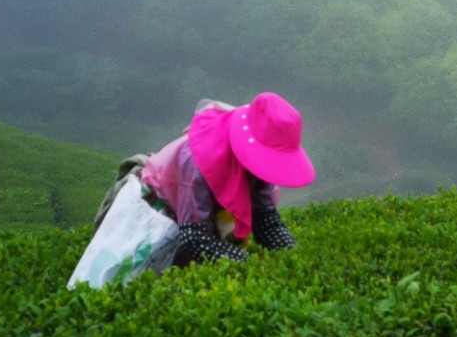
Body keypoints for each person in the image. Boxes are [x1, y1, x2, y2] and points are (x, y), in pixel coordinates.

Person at [93, 92, 315, 266]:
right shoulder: (200, 159)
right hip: (154, 210)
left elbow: (266, 222)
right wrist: (249, 264)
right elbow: (193, 239)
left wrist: (292, 258)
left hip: (197, 218)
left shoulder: (260, 170)